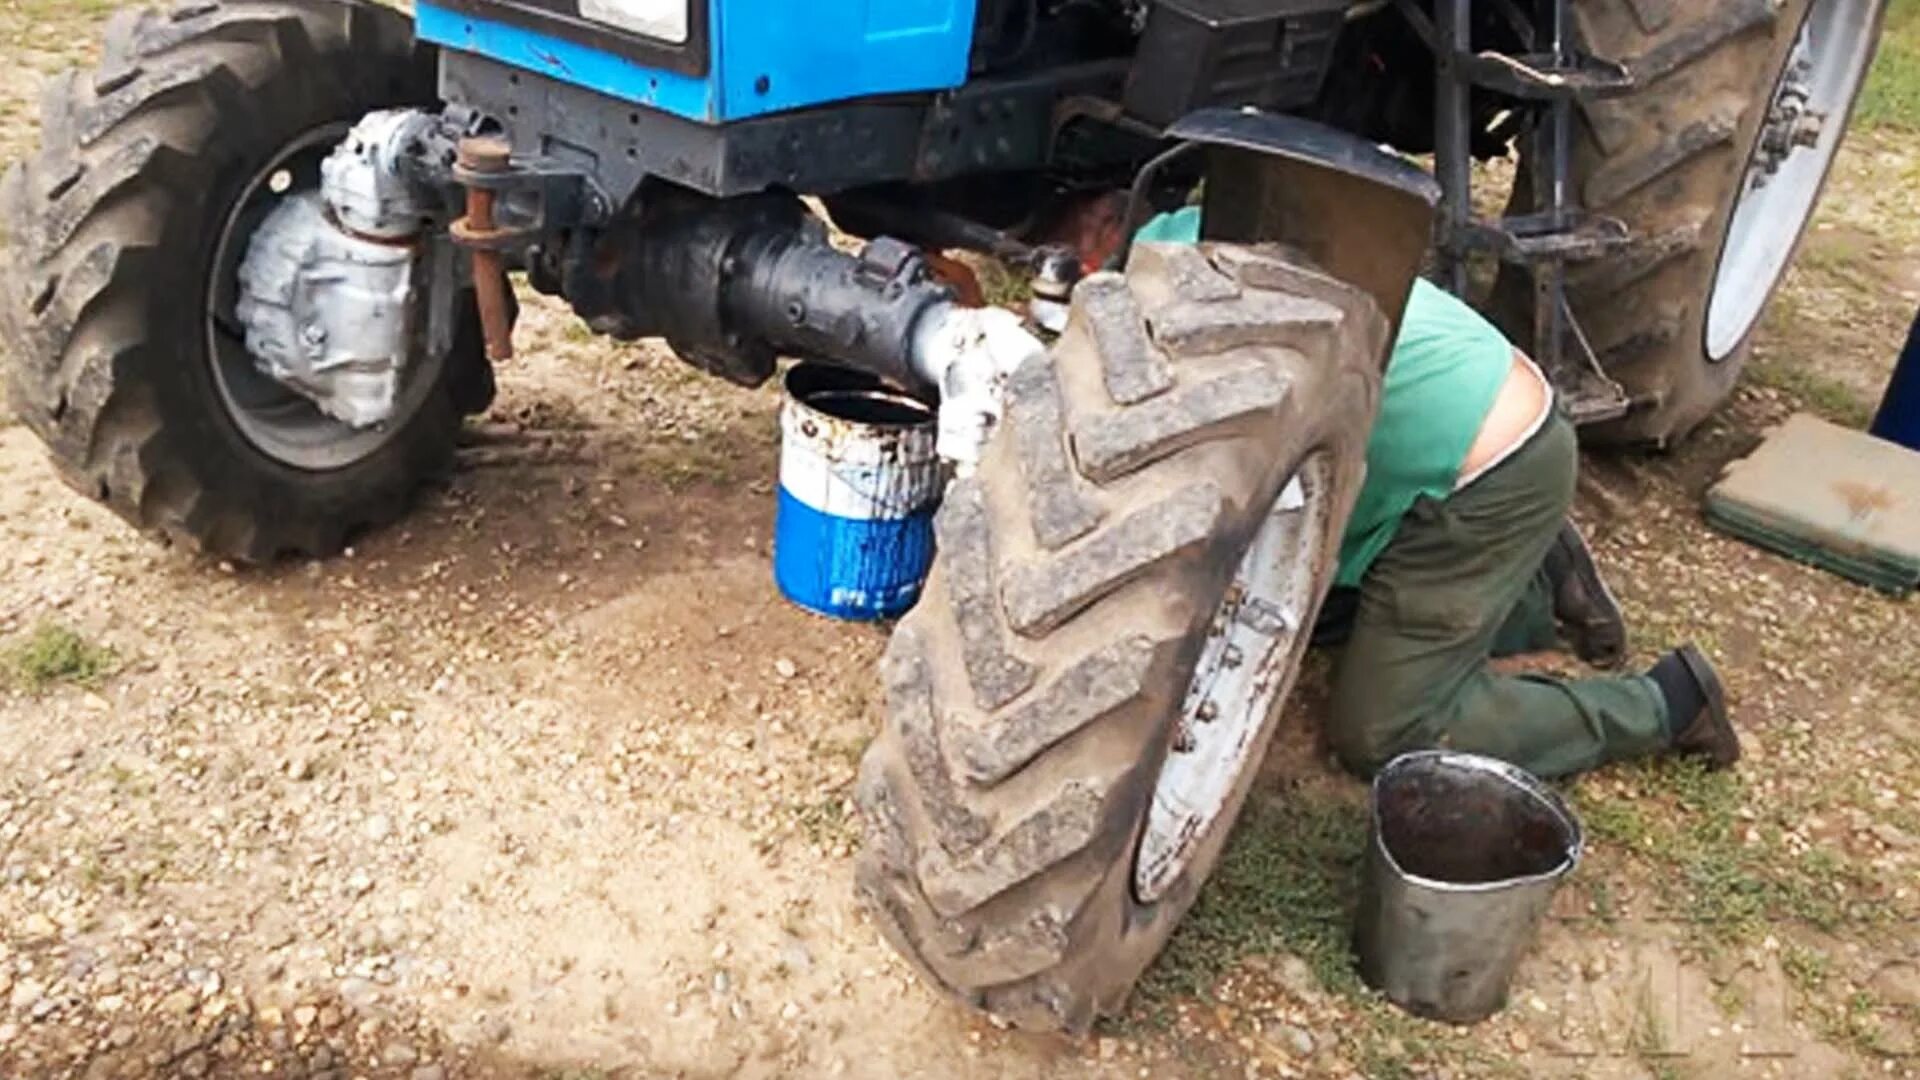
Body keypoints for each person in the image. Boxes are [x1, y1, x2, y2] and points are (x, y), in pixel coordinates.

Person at [1136, 209, 1741, 779]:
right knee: (1309, 620)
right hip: (1485, 417)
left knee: (1383, 734)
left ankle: (1665, 704)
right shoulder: (1196, 223)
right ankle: (1534, 576)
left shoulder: (1141, 309)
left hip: (1494, 473)